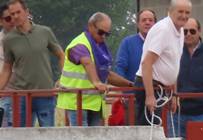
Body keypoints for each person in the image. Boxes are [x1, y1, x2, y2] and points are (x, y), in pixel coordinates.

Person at [57, 13, 133, 127]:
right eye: (101, 32)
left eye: (107, 34)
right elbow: (87, 62)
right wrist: (97, 82)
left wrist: (130, 84)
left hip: (94, 103)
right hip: (77, 102)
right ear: (91, 26)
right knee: (81, 139)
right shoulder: (80, 43)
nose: (103, 36)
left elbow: (107, 75)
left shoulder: (99, 46)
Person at [0, 0, 63, 128]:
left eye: (18, 12)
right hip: (21, 95)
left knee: (48, 134)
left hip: (45, 93)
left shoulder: (45, 32)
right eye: (12, 14)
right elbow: (7, 68)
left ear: (27, 12)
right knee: (20, 137)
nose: (15, 16)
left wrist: (61, 79)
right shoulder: (9, 40)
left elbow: (61, 55)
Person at [137, 0, 191, 128]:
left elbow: (173, 64)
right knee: (149, 135)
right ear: (171, 11)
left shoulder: (180, 30)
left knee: (158, 133)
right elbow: (146, 63)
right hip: (151, 87)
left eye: (187, 12)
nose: (184, 15)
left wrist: (173, 95)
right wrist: (150, 96)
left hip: (162, 89)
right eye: (180, 11)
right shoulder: (163, 30)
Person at [114, 8, 156, 83]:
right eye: (144, 20)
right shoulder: (127, 43)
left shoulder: (160, 43)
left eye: (150, 20)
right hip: (132, 92)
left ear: (155, 24)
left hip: (157, 92)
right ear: (138, 24)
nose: (147, 22)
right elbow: (120, 68)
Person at [0, 3, 13, 126]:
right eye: (8, 18)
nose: (12, 21)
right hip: (4, 95)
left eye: (14, 17)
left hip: (24, 94)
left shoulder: (25, 37)